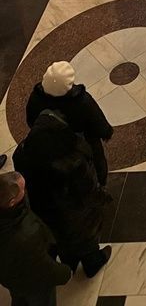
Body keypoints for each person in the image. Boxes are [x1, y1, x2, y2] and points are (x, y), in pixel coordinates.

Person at [12, 111, 111, 278]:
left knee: (61, 241)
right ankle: (92, 263)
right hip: (76, 213)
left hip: (45, 212)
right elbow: (88, 188)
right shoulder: (72, 161)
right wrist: (101, 197)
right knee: (85, 240)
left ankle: (69, 263)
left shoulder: (22, 153)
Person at [25, 62, 113, 187]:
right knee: (95, 163)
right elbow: (97, 121)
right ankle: (100, 184)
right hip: (83, 142)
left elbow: (31, 120)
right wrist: (106, 132)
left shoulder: (36, 98)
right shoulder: (81, 101)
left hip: (52, 144)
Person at [0, 171, 72, 306]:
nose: (25, 192)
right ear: (12, 202)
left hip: (9, 278)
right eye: (23, 189)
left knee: (19, 296)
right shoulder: (26, 235)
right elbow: (44, 268)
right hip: (34, 284)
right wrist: (65, 273)